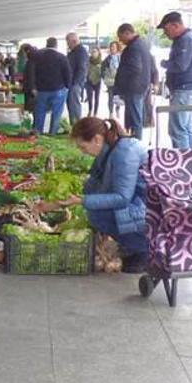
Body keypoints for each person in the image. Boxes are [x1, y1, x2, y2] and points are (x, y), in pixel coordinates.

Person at [66, 117, 149, 273]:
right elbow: (94, 182)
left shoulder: (124, 154)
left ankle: (145, 251)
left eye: (83, 147)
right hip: (137, 201)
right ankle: (134, 245)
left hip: (149, 207)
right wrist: (71, 197)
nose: (82, 152)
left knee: (97, 215)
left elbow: (122, 198)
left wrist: (82, 200)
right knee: (95, 210)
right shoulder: (108, 149)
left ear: (97, 139)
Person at [158, 12, 192, 149]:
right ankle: (190, 160)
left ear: (175, 25)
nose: (165, 34)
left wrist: (165, 63)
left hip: (184, 89)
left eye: (166, 29)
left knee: (178, 130)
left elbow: (180, 65)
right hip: (188, 89)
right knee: (186, 128)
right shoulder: (187, 39)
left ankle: (182, 164)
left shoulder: (186, 40)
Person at [114, 23, 153, 140]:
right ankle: (134, 139)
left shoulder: (134, 47)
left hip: (134, 87)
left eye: (121, 37)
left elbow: (134, 67)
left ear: (127, 33)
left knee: (136, 118)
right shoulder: (142, 44)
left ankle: (136, 143)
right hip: (141, 85)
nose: (120, 40)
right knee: (135, 116)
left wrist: (122, 79)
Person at [31, 37, 71, 135]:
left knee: (39, 112)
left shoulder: (38, 56)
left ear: (47, 44)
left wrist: (33, 87)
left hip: (41, 90)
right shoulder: (62, 57)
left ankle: (37, 134)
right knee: (56, 113)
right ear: (56, 45)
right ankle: (52, 134)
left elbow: (31, 72)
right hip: (58, 89)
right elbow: (68, 74)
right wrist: (67, 86)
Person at [66, 32, 89, 124]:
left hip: (75, 84)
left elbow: (82, 68)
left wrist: (76, 83)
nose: (68, 45)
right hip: (73, 83)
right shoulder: (75, 51)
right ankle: (74, 126)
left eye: (68, 43)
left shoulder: (80, 52)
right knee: (72, 107)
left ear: (74, 41)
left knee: (74, 107)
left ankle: (76, 128)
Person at [103, 41, 122, 118]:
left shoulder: (120, 57)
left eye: (114, 47)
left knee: (118, 97)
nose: (112, 48)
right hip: (110, 81)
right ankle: (111, 112)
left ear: (117, 48)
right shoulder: (107, 58)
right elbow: (102, 68)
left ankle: (117, 109)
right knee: (110, 97)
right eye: (111, 47)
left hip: (119, 81)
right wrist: (104, 77)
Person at [86, 47, 103, 117]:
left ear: (98, 53)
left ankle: (95, 113)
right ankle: (90, 110)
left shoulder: (101, 62)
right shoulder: (88, 60)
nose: (93, 53)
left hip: (97, 82)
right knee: (90, 97)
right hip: (89, 81)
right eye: (92, 52)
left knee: (97, 98)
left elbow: (103, 72)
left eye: (95, 51)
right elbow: (85, 70)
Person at [20, 44, 38, 111]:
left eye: (23, 52)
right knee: (31, 107)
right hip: (30, 87)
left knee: (30, 107)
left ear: (27, 51)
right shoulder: (32, 60)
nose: (23, 54)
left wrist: (33, 88)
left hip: (30, 88)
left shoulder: (31, 61)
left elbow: (31, 75)